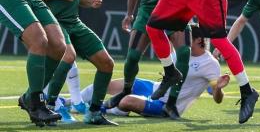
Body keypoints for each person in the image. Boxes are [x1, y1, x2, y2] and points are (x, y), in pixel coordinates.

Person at [104, 0, 191, 120]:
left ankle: (171, 103)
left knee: (183, 52)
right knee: (132, 57)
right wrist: (129, 13)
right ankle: (126, 91)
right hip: (148, 8)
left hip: (176, 6)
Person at [74, 25, 229, 118]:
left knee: (127, 101)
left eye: (186, 38)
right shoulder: (181, 52)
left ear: (198, 40)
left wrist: (219, 89)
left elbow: (216, 97)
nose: (178, 40)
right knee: (112, 84)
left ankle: (100, 109)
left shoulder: (210, 64)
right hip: (154, 88)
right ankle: (74, 101)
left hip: (165, 105)